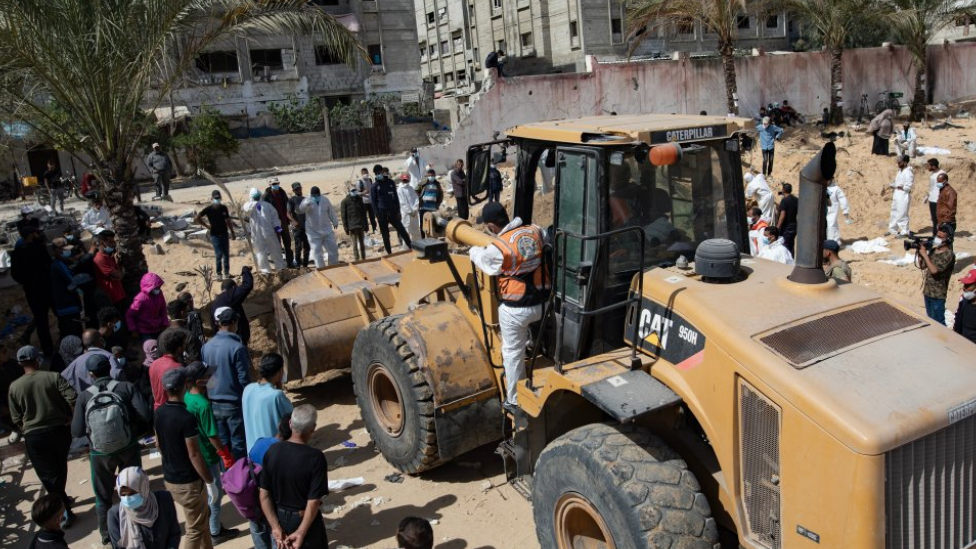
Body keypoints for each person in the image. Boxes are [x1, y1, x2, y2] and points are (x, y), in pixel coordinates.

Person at [467, 203, 549, 410]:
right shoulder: (535, 230)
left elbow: (485, 263)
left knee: (512, 351)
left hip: (517, 310)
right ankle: (532, 342)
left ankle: (513, 399)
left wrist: (474, 250)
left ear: (493, 227)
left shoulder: (499, 248)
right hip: (544, 303)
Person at [71, 354, 152, 544]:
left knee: (103, 496)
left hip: (100, 454)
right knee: (133, 488)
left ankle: (107, 535)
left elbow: (77, 431)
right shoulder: (126, 387)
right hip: (128, 447)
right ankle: (140, 526)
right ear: (110, 368)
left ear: (91, 374)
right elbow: (145, 414)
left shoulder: (84, 396)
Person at [8, 346, 78, 528]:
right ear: (37, 359)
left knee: (48, 476)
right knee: (59, 469)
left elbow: (16, 419)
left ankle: (63, 513)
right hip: (59, 431)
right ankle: (63, 504)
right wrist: (70, 418)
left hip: (34, 436)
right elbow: (73, 398)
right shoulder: (53, 377)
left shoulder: (14, 387)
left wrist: (28, 428)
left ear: (20, 363)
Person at [153, 368, 216, 549]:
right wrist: (210, 481)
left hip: (170, 478)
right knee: (195, 528)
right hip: (188, 482)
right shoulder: (186, 417)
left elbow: (158, 443)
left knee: (202, 520)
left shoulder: (159, 412)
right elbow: (194, 454)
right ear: (185, 386)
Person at [259, 404, 329, 549]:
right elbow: (314, 501)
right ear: (313, 428)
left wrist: (275, 527)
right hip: (304, 518)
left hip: (279, 515)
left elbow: (264, 494)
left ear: (290, 423)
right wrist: (301, 533)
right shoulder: (315, 457)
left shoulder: (272, 451)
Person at [183, 361, 239, 544]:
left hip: (195, 454)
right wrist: (225, 454)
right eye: (208, 376)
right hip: (208, 455)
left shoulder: (186, 398)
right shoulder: (203, 405)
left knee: (205, 494)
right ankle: (215, 532)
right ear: (199, 381)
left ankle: (212, 527)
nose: (211, 378)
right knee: (215, 495)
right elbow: (212, 434)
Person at [202, 307, 251, 459]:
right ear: (234, 323)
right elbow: (243, 378)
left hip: (214, 401)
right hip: (233, 402)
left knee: (223, 444)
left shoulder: (206, 347)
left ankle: (228, 475)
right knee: (239, 443)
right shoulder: (237, 348)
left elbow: (208, 376)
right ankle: (240, 477)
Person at [108, 467, 181, 549]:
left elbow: (174, 533)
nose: (127, 498)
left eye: (132, 493)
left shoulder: (163, 500)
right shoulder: (115, 515)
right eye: (123, 494)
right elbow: (118, 547)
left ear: (144, 488)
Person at [11, 225, 54, 355]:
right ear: (30, 235)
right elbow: (49, 265)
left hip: (31, 291)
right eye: (35, 233)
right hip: (47, 288)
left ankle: (48, 350)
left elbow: (15, 274)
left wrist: (27, 282)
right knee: (60, 315)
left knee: (41, 321)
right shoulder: (39, 249)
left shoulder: (16, 253)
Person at [242, 353, 293, 455]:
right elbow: (293, 419)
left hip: (253, 454)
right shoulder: (276, 395)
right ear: (279, 372)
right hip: (273, 455)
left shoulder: (247, 389)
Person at [63, 329, 122, 394]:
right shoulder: (109, 356)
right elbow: (117, 377)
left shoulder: (75, 363)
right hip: (108, 399)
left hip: (85, 402)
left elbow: (62, 381)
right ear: (101, 340)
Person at [370, 165, 412, 255]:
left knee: (402, 230)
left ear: (382, 172)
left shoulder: (390, 182)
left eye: (379, 173)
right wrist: (377, 215)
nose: (378, 175)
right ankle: (389, 253)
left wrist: (398, 210)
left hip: (393, 212)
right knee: (385, 235)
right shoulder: (374, 186)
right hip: (382, 213)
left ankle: (411, 247)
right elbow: (373, 202)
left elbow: (396, 198)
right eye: (376, 174)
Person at [242, 187, 286, 274]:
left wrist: (277, 226)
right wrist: (255, 203)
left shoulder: (267, 205)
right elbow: (246, 210)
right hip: (257, 233)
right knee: (260, 251)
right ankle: (265, 269)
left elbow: (274, 216)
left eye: (258, 196)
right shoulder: (249, 206)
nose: (257, 197)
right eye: (255, 196)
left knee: (275, 249)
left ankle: (280, 266)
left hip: (269, 231)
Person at [918, 224, 956, 324]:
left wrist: (925, 255)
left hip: (938, 295)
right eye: (937, 236)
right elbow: (922, 266)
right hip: (928, 292)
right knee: (931, 321)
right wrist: (920, 253)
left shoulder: (949, 254)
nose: (937, 239)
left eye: (940, 237)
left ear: (948, 239)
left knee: (939, 323)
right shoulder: (934, 251)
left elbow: (934, 271)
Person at [195, 191, 236, 280]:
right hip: (215, 235)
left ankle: (226, 273)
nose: (217, 200)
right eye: (215, 198)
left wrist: (232, 231)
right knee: (218, 254)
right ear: (212, 199)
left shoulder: (224, 208)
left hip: (224, 233)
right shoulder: (209, 209)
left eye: (218, 198)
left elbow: (228, 220)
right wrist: (206, 226)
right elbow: (197, 218)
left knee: (226, 254)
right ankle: (219, 274)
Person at [50, 237, 84, 339]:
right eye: (64, 249)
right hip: (68, 307)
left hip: (68, 306)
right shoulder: (58, 265)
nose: (68, 252)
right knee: (73, 335)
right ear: (57, 251)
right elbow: (72, 281)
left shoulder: (62, 263)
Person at [211, 266, 254, 346]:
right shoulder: (231, 295)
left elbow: (213, 325)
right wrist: (245, 270)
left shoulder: (215, 303)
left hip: (221, 340)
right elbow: (247, 285)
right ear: (233, 288)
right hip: (235, 340)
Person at [299, 186, 340, 268]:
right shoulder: (307, 201)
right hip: (313, 232)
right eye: (314, 196)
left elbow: (330, 211)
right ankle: (321, 268)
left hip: (326, 229)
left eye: (317, 195)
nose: (316, 197)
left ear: (319, 194)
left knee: (333, 249)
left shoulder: (325, 200)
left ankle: (334, 266)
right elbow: (301, 209)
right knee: (317, 252)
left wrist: (334, 221)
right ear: (311, 195)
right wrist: (306, 204)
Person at [149, 328, 188, 409]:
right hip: (173, 410)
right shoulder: (178, 368)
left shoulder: (154, 364)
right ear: (178, 348)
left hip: (157, 409)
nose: (185, 347)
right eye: (183, 345)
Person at [126, 272, 168, 342]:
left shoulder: (159, 294)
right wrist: (133, 329)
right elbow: (130, 314)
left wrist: (165, 323)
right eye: (156, 287)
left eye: (159, 287)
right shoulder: (140, 299)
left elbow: (163, 309)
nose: (158, 289)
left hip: (159, 327)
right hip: (145, 331)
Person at [262, 178, 295, 268]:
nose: (275, 185)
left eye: (276, 183)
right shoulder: (266, 196)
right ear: (270, 185)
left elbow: (287, 206)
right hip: (274, 225)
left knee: (287, 243)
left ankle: (290, 263)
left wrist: (290, 219)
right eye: (273, 184)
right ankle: (280, 265)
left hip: (284, 223)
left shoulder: (282, 192)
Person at [92, 230, 126, 307]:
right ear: (102, 242)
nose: (113, 244)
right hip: (112, 297)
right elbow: (119, 275)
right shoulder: (100, 259)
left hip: (118, 294)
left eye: (113, 241)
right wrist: (120, 271)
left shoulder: (109, 256)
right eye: (110, 242)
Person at [886, 155, 914, 237]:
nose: (898, 163)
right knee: (894, 212)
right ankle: (893, 229)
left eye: (900, 162)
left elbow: (908, 187)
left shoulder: (908, 173)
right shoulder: (900, 171)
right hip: (897, 194)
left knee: (902, 213)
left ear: (905, 162)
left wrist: (897, 186)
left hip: (903, 195)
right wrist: (894, 185)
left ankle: (904, 231)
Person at [340, 185, 368, 261]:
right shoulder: (344, 202)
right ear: (349, 192)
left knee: (362, 243)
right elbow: (343, 216)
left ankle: (364, 258)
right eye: (352, 190)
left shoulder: (359, 199)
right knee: (355, 244)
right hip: (352, 227)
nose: (354, 192)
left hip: (360, 225)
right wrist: (346, 228)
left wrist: (366, 226)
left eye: (354, 190)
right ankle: (357, 259)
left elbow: (363, 213)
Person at [286, 182, 310, 268]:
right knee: (298, 247)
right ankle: (298, 265)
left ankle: (305, 265)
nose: (299, 190)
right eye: (296, 189)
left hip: (306, 227)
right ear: (293, 190)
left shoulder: (305, 199)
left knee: (307, 246)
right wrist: (294, 221)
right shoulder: (291, 200)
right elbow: (288, 214)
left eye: (299, 188)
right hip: (297, 228)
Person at [397, 174, 421, 246]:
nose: (405, 181)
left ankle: (418, 244)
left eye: (406, 180)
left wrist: (415, 209)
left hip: (414, 213)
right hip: (406, 214)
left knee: (416, 229)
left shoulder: (411, 188)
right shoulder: (399, 189)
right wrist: (410, 211)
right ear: (402, 180)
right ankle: (406, 247)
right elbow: (402, 202)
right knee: (406, 230)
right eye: (404, 180)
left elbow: (416, 199)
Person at [825, 179, 852, 244]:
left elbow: (843, 200)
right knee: (832, 226)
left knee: (831, 226)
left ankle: (830, 243)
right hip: (823, 211)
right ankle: (836, 241)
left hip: (832, 211)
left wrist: (845, 211)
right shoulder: (821, 187)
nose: (827, 181)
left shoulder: (836, 188)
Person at [953, 269, 976, 345]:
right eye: (964, 285)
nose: (964, 288)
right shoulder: (963, 302)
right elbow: (958, 319)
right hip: (961, 343)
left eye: (968, 285)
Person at [419, 169, 444, 236]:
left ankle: (431, 238)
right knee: (423, 224)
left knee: (432, 223)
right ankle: (423, 238)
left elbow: (441, 194)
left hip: (433, 208)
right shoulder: (423, 182)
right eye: (429, 175)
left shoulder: (437, 184)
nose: (431, 177)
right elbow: (416, 190)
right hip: (423, 207)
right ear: (427, 175)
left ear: (434, 175)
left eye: (432, 175)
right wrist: (420, 200)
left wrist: (438, 204)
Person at [776, 183, 798, 255]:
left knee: (785, 245)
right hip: (794, 225)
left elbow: (782, 215)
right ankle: (791, 260)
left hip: (786, 226)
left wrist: (778, 227)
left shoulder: (784, 200)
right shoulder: (796, 199)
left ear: (783, 190)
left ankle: (785, 263)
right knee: (791, 244)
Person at [356, 168, 378, 233]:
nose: (365, 174)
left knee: (372, 216)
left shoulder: (370, 180)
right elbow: (357, 193)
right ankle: (366, 230)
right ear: (362, 174)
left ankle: (374, 229)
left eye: (366, 173)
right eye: (364, 173)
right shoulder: (359, 182)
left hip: (371, 201)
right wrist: (363, 193)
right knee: (364, 217)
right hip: (363, 202)